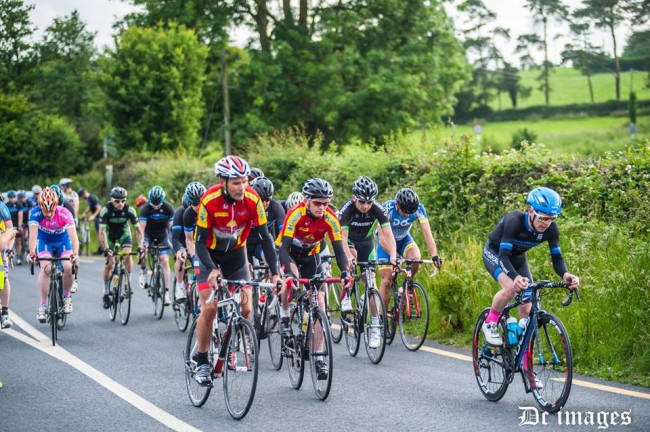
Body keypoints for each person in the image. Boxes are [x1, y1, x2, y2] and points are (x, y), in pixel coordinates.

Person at [193, 156, 282, 387]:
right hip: (209, 256)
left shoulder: (253, 199)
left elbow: (265, 237)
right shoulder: (209, 200)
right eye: (236, 183)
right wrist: (211, 269)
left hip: (235, 255)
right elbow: (200, 242)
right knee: (210, 308)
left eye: (244, 181)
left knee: (246, 306)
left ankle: (230, 338)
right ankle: (201, 361)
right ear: (222, 181)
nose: (242, 187)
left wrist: (275, 273)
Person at [480, 187, 579, 389]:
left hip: (518, 260)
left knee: (527, 312)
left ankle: (527, 370)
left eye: (551, 218)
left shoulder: (551, 229)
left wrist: (566, 275)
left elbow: (557, 259)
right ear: (531, 210)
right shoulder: (514, 221)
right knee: (511, 288)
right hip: (496, 253)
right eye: (543, 217)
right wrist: (515, 278)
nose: (546, 223)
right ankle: (490, 322)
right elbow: (503, 256)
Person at [276, 178, 352, 380]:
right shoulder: (295, 214)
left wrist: (345, 272)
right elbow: (283, 249)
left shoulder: (330, 218)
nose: (322, 207)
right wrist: (290, 275)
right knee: (291, 282)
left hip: (311, 257)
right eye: (318, 203)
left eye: (326, 203)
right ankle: (284, 314)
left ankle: (318, 356)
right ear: (307, 200)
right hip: (290, 253)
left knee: (319, 302)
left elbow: (339, 251)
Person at [338, 176, 397, 348]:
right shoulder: (346, 210)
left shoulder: (377, 209)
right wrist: (348, 256)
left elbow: (388, 234)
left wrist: (393, 255)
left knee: (370, 281)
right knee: (350, 260)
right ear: (354, 198)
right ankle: (346, 296)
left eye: (369, 202)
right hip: (348, 242)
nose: (366, 206)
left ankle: (376, 326)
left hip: (366, 242)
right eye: (362, 201)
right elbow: (341, 238)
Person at [377, 188, 441, 313]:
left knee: (416, 259)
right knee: (386, 281)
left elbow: (428, 235)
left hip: (403, 239)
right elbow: (381, 238)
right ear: (397, 205)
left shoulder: (419, 209)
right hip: (386, 242)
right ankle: (381, 318)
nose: (407, 215)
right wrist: (393, 255)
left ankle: (407, 286)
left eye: (410, 213)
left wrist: (434, 256)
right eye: (404, 212)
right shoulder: (387, 209)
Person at [28, 187, 79, 321]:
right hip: (45, 242)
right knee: (46, 268)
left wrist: (75, 253)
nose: (49, 214)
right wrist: (32, 253)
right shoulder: (35, 213)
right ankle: (43, 305)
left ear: (56, 205)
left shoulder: (65, 213)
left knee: (68, 266)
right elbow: (32, 236)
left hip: (63, 242)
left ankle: (67, 297)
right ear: (40, 206)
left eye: (51, 211)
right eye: (45, 211)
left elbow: (74, 237)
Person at [98, 187, 142, 309]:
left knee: (127, 255)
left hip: (123, 232)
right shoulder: (105, 210)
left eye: (123, 201)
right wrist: (107, 248)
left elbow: (138, 230)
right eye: (117, 201)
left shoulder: (130, 210)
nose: (120, 204)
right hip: (110, 234)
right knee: (109, 263)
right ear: (112, 200)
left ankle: (128, 284)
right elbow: (101, 232)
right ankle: (106, 293)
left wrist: (140, 246)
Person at [138, 185, 174, 305]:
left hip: (162, 235)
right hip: (148, 234)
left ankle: (166, 293)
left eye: (158, 204)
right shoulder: (145, 208)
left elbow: (172, 228)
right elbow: (141, 229)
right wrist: (142, 243)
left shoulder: (168, 208)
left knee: (164, 260)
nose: (156, 206)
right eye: (153, 203)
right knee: (142, 252)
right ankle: (143, 272)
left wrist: (172, 242)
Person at [171, 181, 205, 302]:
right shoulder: (181, 213)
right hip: (181, 241)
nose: (197, 207)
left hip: (197, 242)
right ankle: (180, 286)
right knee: (181, 258)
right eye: (193, 204)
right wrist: (180, 250)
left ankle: (196, 283)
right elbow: (175, 237)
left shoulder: (206, 211)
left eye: (199, 203)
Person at [247, 176, 285, 267]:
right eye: (261, 200)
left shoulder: (275, 207)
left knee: (272, 261)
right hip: (244, 244)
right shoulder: (246, 205)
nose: (264, 204)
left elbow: (283, 232)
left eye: (267, 199)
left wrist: (280, 246)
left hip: (261, 243)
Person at [0, 201, 16, 328]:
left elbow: (11, 230)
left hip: (2, 242)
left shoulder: (2, 207)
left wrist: (10, 249)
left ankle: (5, 311)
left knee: (3, 277)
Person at [78, 188, 102, 254]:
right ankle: (100, 248)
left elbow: (99, 207)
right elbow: (90, 206)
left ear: (83, 195)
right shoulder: (89, 198)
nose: (82, 198)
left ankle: (101, 249)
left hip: (99, 217)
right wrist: (84, 213)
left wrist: (94, 216)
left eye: (81, 197)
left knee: (99, 232)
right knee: (97, 232)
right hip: (96, 217)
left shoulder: (92, 198)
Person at [5, 191, 24, 265]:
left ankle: (19, 257)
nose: (12, 199)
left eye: (13, 197)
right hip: (9, 226)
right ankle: (8, 255)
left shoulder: (19, 204)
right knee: (8, 241)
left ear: (15, 197)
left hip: (16, 224)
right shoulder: (6, 205)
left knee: (18, 241)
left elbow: (20, 215)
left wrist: (20, 226)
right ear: (8, 198)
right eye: (10, 197)